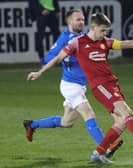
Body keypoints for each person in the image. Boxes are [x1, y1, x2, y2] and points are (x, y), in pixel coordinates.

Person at [27, 13, 133, 164]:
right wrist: (39, 72)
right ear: (93, 28)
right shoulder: (77, 43)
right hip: (100, 86)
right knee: (125, 113)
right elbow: (57, 58)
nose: (105, 34)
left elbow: (130, 44)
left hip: (111, 83)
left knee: (120, 121)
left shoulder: (105, 42)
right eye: (102, 30)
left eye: (106, 31)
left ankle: (98, 152)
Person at [24, 9, 123, 159]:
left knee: (66, 122)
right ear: (69, 22)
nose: (81, 22)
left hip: (80, 85)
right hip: (70, 85)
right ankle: (106, 148)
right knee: (88, 113)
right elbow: (53, 57)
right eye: (78, 20)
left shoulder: (84, 38)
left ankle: (31, 125)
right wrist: (40, 71)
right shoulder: (66, 39)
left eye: (83, 19)